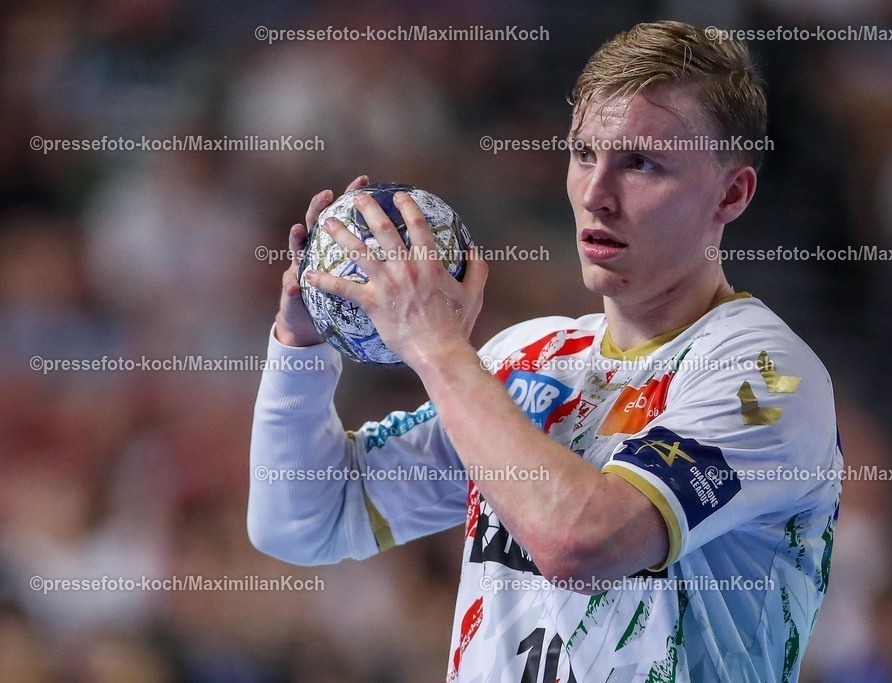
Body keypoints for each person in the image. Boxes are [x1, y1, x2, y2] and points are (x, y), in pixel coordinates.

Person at [249, 20, 842, 682]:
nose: (596, 194)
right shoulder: (528, 358)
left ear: (731, 193)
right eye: (584, 153)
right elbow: (304, 520)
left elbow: (580, 540)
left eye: (640, 163)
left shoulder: (764, 376)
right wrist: (302, 346)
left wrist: (437, 348)